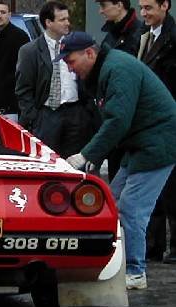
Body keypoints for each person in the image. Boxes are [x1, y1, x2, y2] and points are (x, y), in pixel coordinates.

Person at [59, 31, 176, 290]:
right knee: (110, 202)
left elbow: (117, 121)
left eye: (71, 60)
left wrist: (86, 155)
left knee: (131, 208)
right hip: (140, 144)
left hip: (158, 145)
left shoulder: (118, 69)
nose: (70, 67)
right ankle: (113, 262)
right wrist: (94, 155)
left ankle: (135, 272)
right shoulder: (105, 69)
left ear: (90, 53)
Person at [15, 1, 99, 159]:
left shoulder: (78, 46)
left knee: (75, 164)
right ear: (48, 22)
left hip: (77, 113)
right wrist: (35, 118)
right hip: (47, 115)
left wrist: (87, 112)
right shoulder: (30, 51)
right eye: (62, 20)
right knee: (48, 162)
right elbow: (23, 89)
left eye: (68, 18)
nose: (68, 23)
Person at [137, 0, 176, 264]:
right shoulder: (145, 36)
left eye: (149, 7)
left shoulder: (173, 39)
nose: (144, 13)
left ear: (165, 6)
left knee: (172, 188)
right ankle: (154, 244)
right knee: (155, 187)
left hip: (169, 121)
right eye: (141, 7)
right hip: (151, 123)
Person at [95, 0, 144, 182]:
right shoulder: (110, 36)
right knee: (116, 172)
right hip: (112, 112)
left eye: (103, 6)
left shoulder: (139, 35)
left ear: (119, 5)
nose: (100, 11)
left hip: (131, 115)